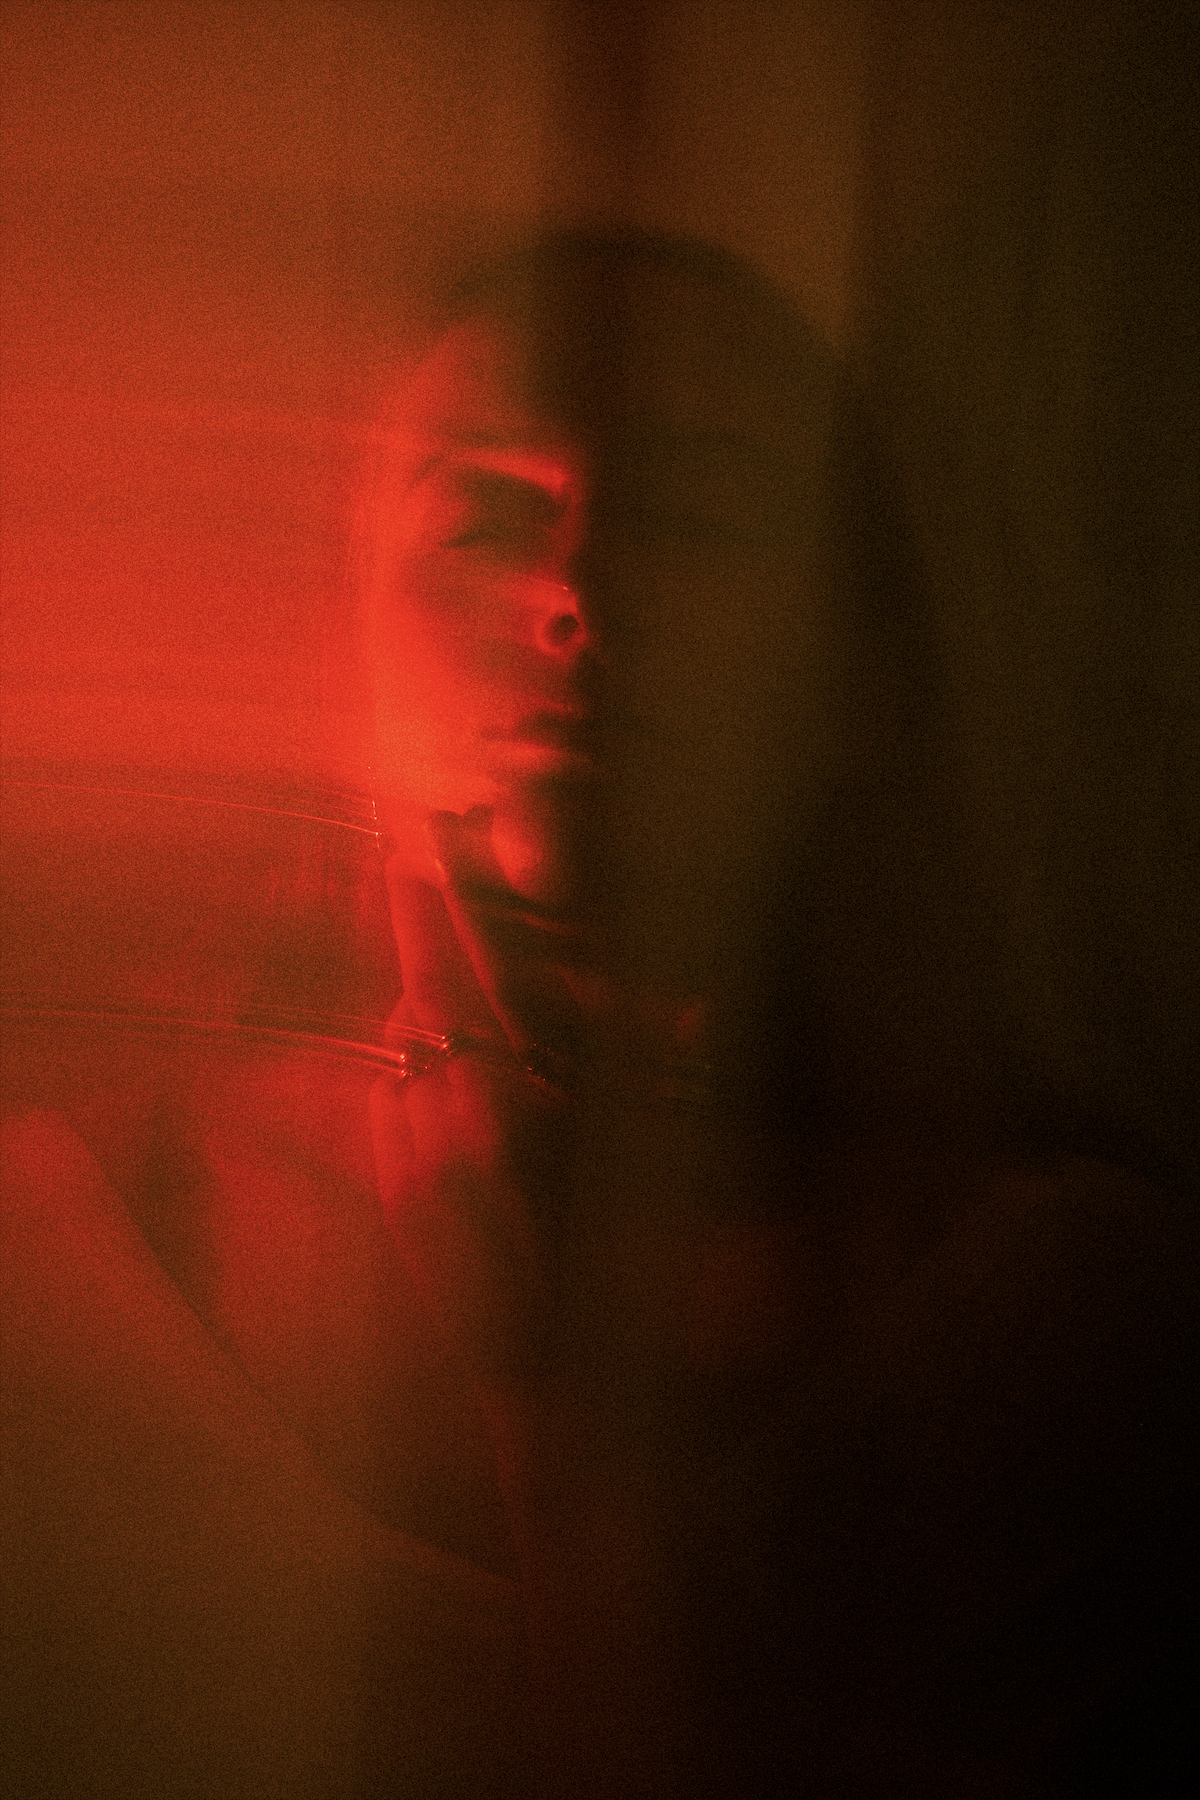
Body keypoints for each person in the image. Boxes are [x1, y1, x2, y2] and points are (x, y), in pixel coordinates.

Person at [3, 231, 1195, 1798]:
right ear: (354, 626)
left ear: (849, 663)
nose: (573, 596)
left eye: (689, 513)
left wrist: (557, 1414)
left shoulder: (1071, 1331)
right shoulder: (58, 1260)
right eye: (486, 516)